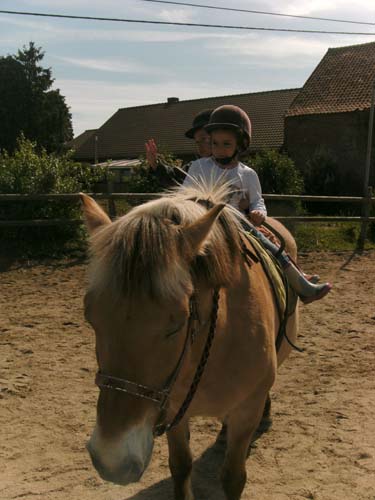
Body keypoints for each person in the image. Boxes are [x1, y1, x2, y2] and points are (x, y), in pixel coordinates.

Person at [183, 104, 332, 304]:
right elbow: (185, 195)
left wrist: (258, 212)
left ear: (240, 145)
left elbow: (257, 201)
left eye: (226, 144)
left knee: (270, 245)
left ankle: (299, 284)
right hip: (203, 222)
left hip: (236, 224)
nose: (219, 149)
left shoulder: (247, 174)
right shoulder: (199, 167)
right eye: (215, 143)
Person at [145, 109, 213, 188]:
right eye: (197, 142)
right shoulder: (196, 167)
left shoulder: (229, 167)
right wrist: (155, 164)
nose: (200, 146)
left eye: (203, 139)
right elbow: (174, 178)